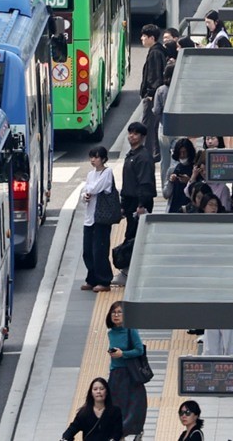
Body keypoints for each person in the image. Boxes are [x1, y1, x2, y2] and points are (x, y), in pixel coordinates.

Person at [112, 122, 155, 286]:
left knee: (134, 238)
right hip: (131, 201)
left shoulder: (143, 157)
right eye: (130, 133)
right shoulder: (132, 154)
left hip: (139, 203)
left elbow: (145, 183)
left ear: (142, 137)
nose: (131, 136)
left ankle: (128, 272)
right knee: (131, 236)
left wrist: (141, 205)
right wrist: (123, 204)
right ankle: (128, 272)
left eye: (135, 134)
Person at [107, 302, 148, 438]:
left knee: (133, 406)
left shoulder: (131, 330)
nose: (116, 315)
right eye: (114, 312)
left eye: (119, 312)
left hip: (130, 375)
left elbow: (139, 350)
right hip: (115, 375)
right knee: (115, 408)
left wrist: (122, 354)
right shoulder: (111, 333)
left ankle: (136, 432)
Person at [80, 146, 116, 292]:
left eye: (96, 157)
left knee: (99, 250)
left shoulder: (107, 173)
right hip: (90, 217)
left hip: (101, 218)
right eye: (91, 157)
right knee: (87, 250)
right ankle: (92, 278)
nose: (93, 160)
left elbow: (95, 188)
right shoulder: (90, 174)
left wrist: (87, 191)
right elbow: (85, 192)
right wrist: (85, 195)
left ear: (103, 159)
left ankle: (104, 280)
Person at [62, 377, 124, 441]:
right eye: (95, 389)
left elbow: (118, 432)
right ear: (91, 393)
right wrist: (65, 438)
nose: (98, 391)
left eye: (102, 389)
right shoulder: (83, 413)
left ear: (107, 392)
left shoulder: (115, 412)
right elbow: (72, 429)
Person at [139, 24, 167, 161]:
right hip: (154, 94)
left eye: (144, 36)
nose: (141, 39)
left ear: (151, 38)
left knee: (148, 125)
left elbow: (154, 75)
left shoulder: (155, 52)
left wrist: (150, 93)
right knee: (152, 125)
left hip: (152, 95)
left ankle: (149, 153)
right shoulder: (157, 50)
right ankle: (152, 152)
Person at [167, 138, 196, 212]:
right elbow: (166, 194)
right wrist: (170, 181)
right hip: (174, 207)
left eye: (184, 152)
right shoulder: (172, 169)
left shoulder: (195, 169)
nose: (182, 155)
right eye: (180, 153)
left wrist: (189, 181)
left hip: (190, 207)